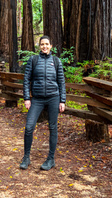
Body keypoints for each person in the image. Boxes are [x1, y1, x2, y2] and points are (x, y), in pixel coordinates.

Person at [20, 36, 66, 170]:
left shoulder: (56, 61)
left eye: (47, 44)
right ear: (39, 46)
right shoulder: (33, 60)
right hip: (37, 99)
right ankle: (26, 157)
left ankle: (51, 159)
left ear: (51, 46)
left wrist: (62, 100)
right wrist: (26, 98)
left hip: (53, 98)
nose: (44, 46)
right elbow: (26, 79)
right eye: (42, 44)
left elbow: (61, 82)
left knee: (53, 127)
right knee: (29, 127)